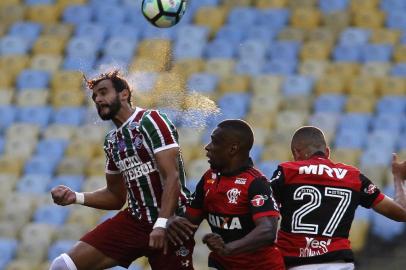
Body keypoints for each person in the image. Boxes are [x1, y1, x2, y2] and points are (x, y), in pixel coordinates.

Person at [49, 70, 194, 270]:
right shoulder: (112, 141)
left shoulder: (150, 120)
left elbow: (172, 177)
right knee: (63, 266)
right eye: (95, 97)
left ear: (124, 94)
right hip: (135, 221)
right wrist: (76, 197)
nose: (98, 99)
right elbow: (115, 197)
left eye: (103, 92)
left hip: (172, 223)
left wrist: (161, 224)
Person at [269, 126, 406, 270]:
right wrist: (399, 178)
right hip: (339, 263)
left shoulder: (287, 172)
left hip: (295, 262)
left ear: (296, 153)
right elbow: (401, 213)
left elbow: (261, 211)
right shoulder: (353, 177)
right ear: (327, 152)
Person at [166, 119, 285, 270]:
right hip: (222, 264)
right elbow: (189, 223)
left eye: (215, 142)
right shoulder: (209, 178)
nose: (207, 147)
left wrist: (228, 249)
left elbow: (267, 230)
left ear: (232, 149)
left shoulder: (256, 183)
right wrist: (171, 221)